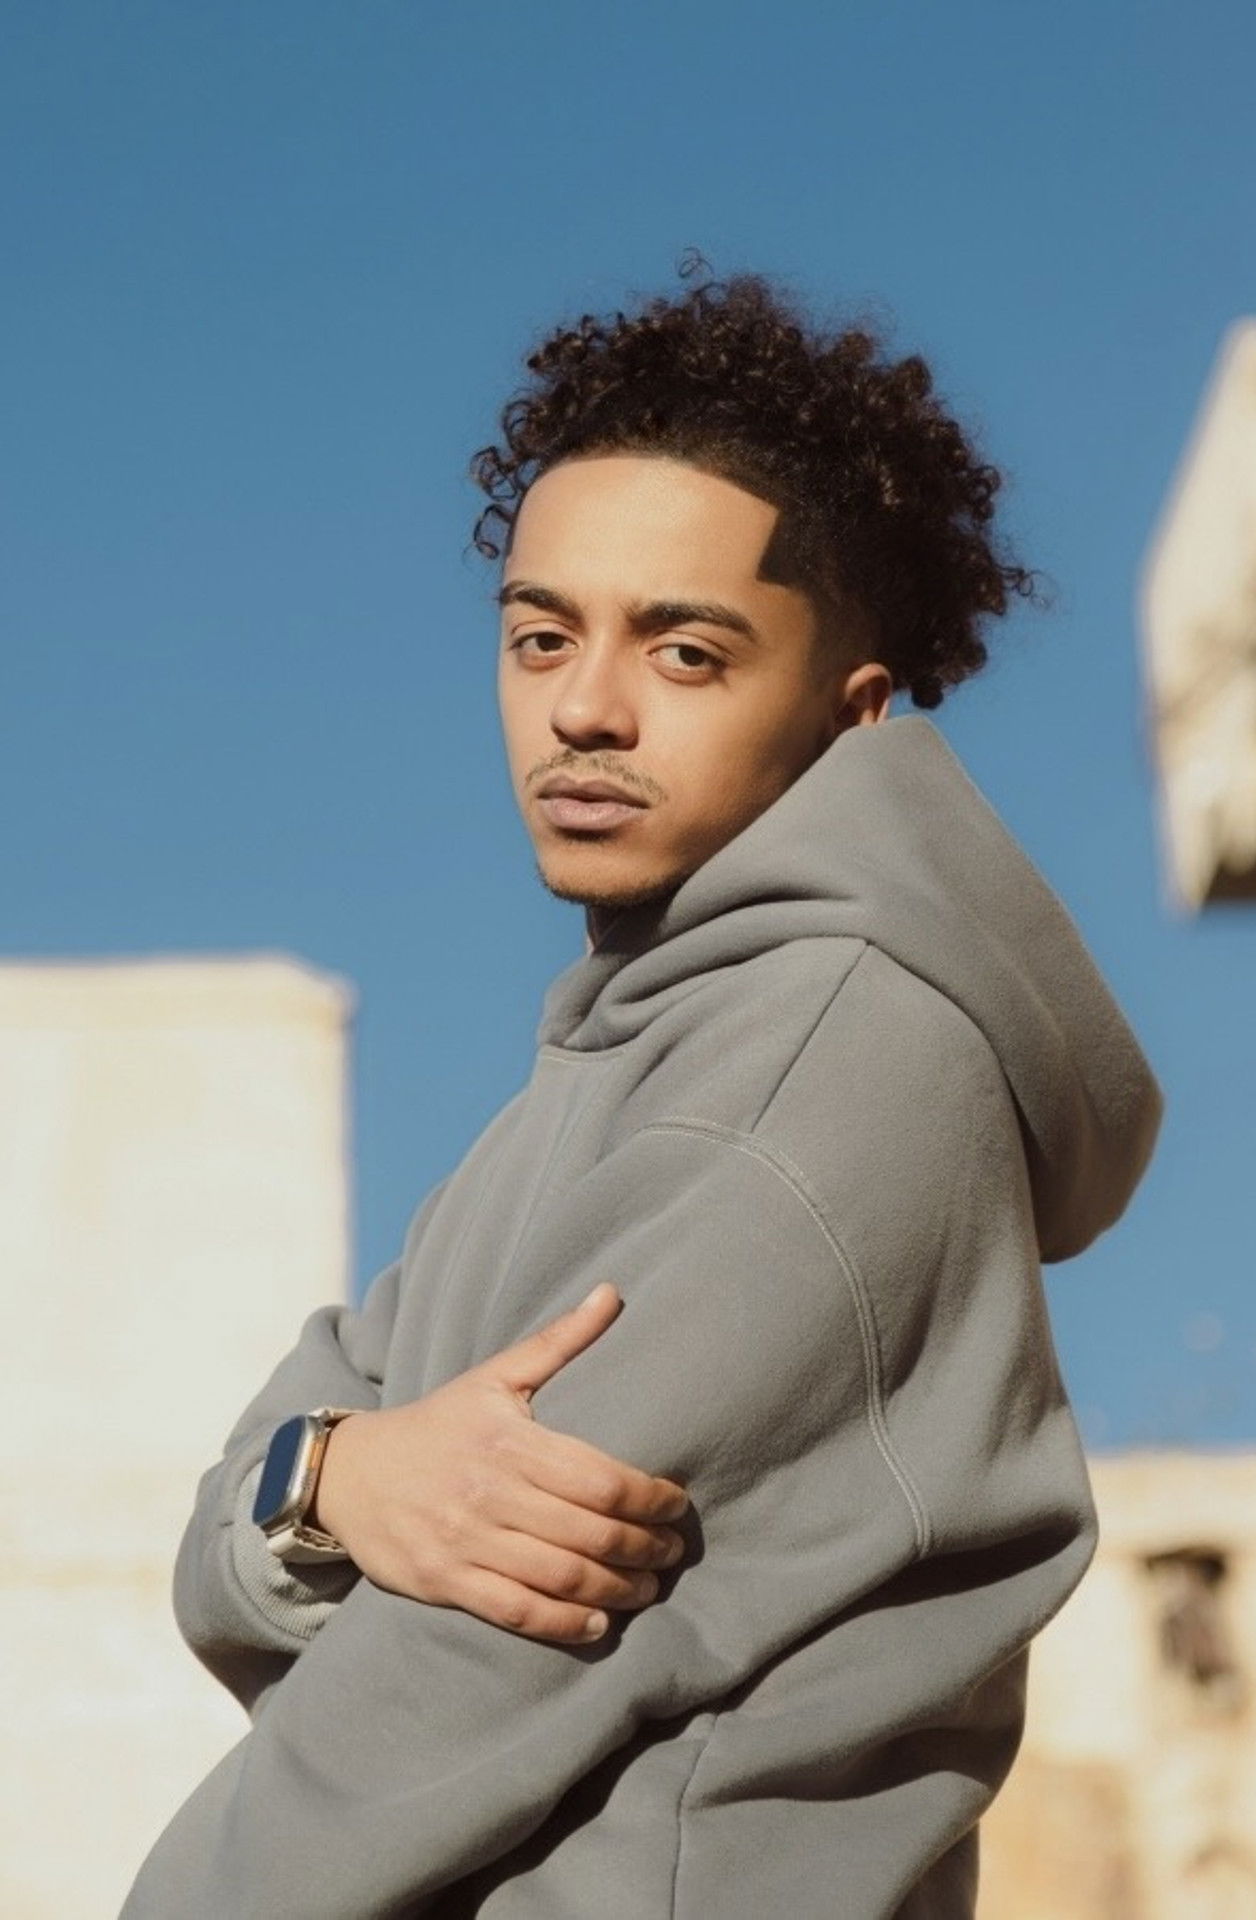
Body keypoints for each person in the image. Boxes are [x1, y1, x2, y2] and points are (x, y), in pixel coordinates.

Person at [123, 258, 1164, 1918]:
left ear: (852, 714)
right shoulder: (598, 1073)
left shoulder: (823, 1073)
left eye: (685, 652)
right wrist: (329, 1478)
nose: (585, 709)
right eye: (542, 636)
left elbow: (456, 1667)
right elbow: (235, 1533)